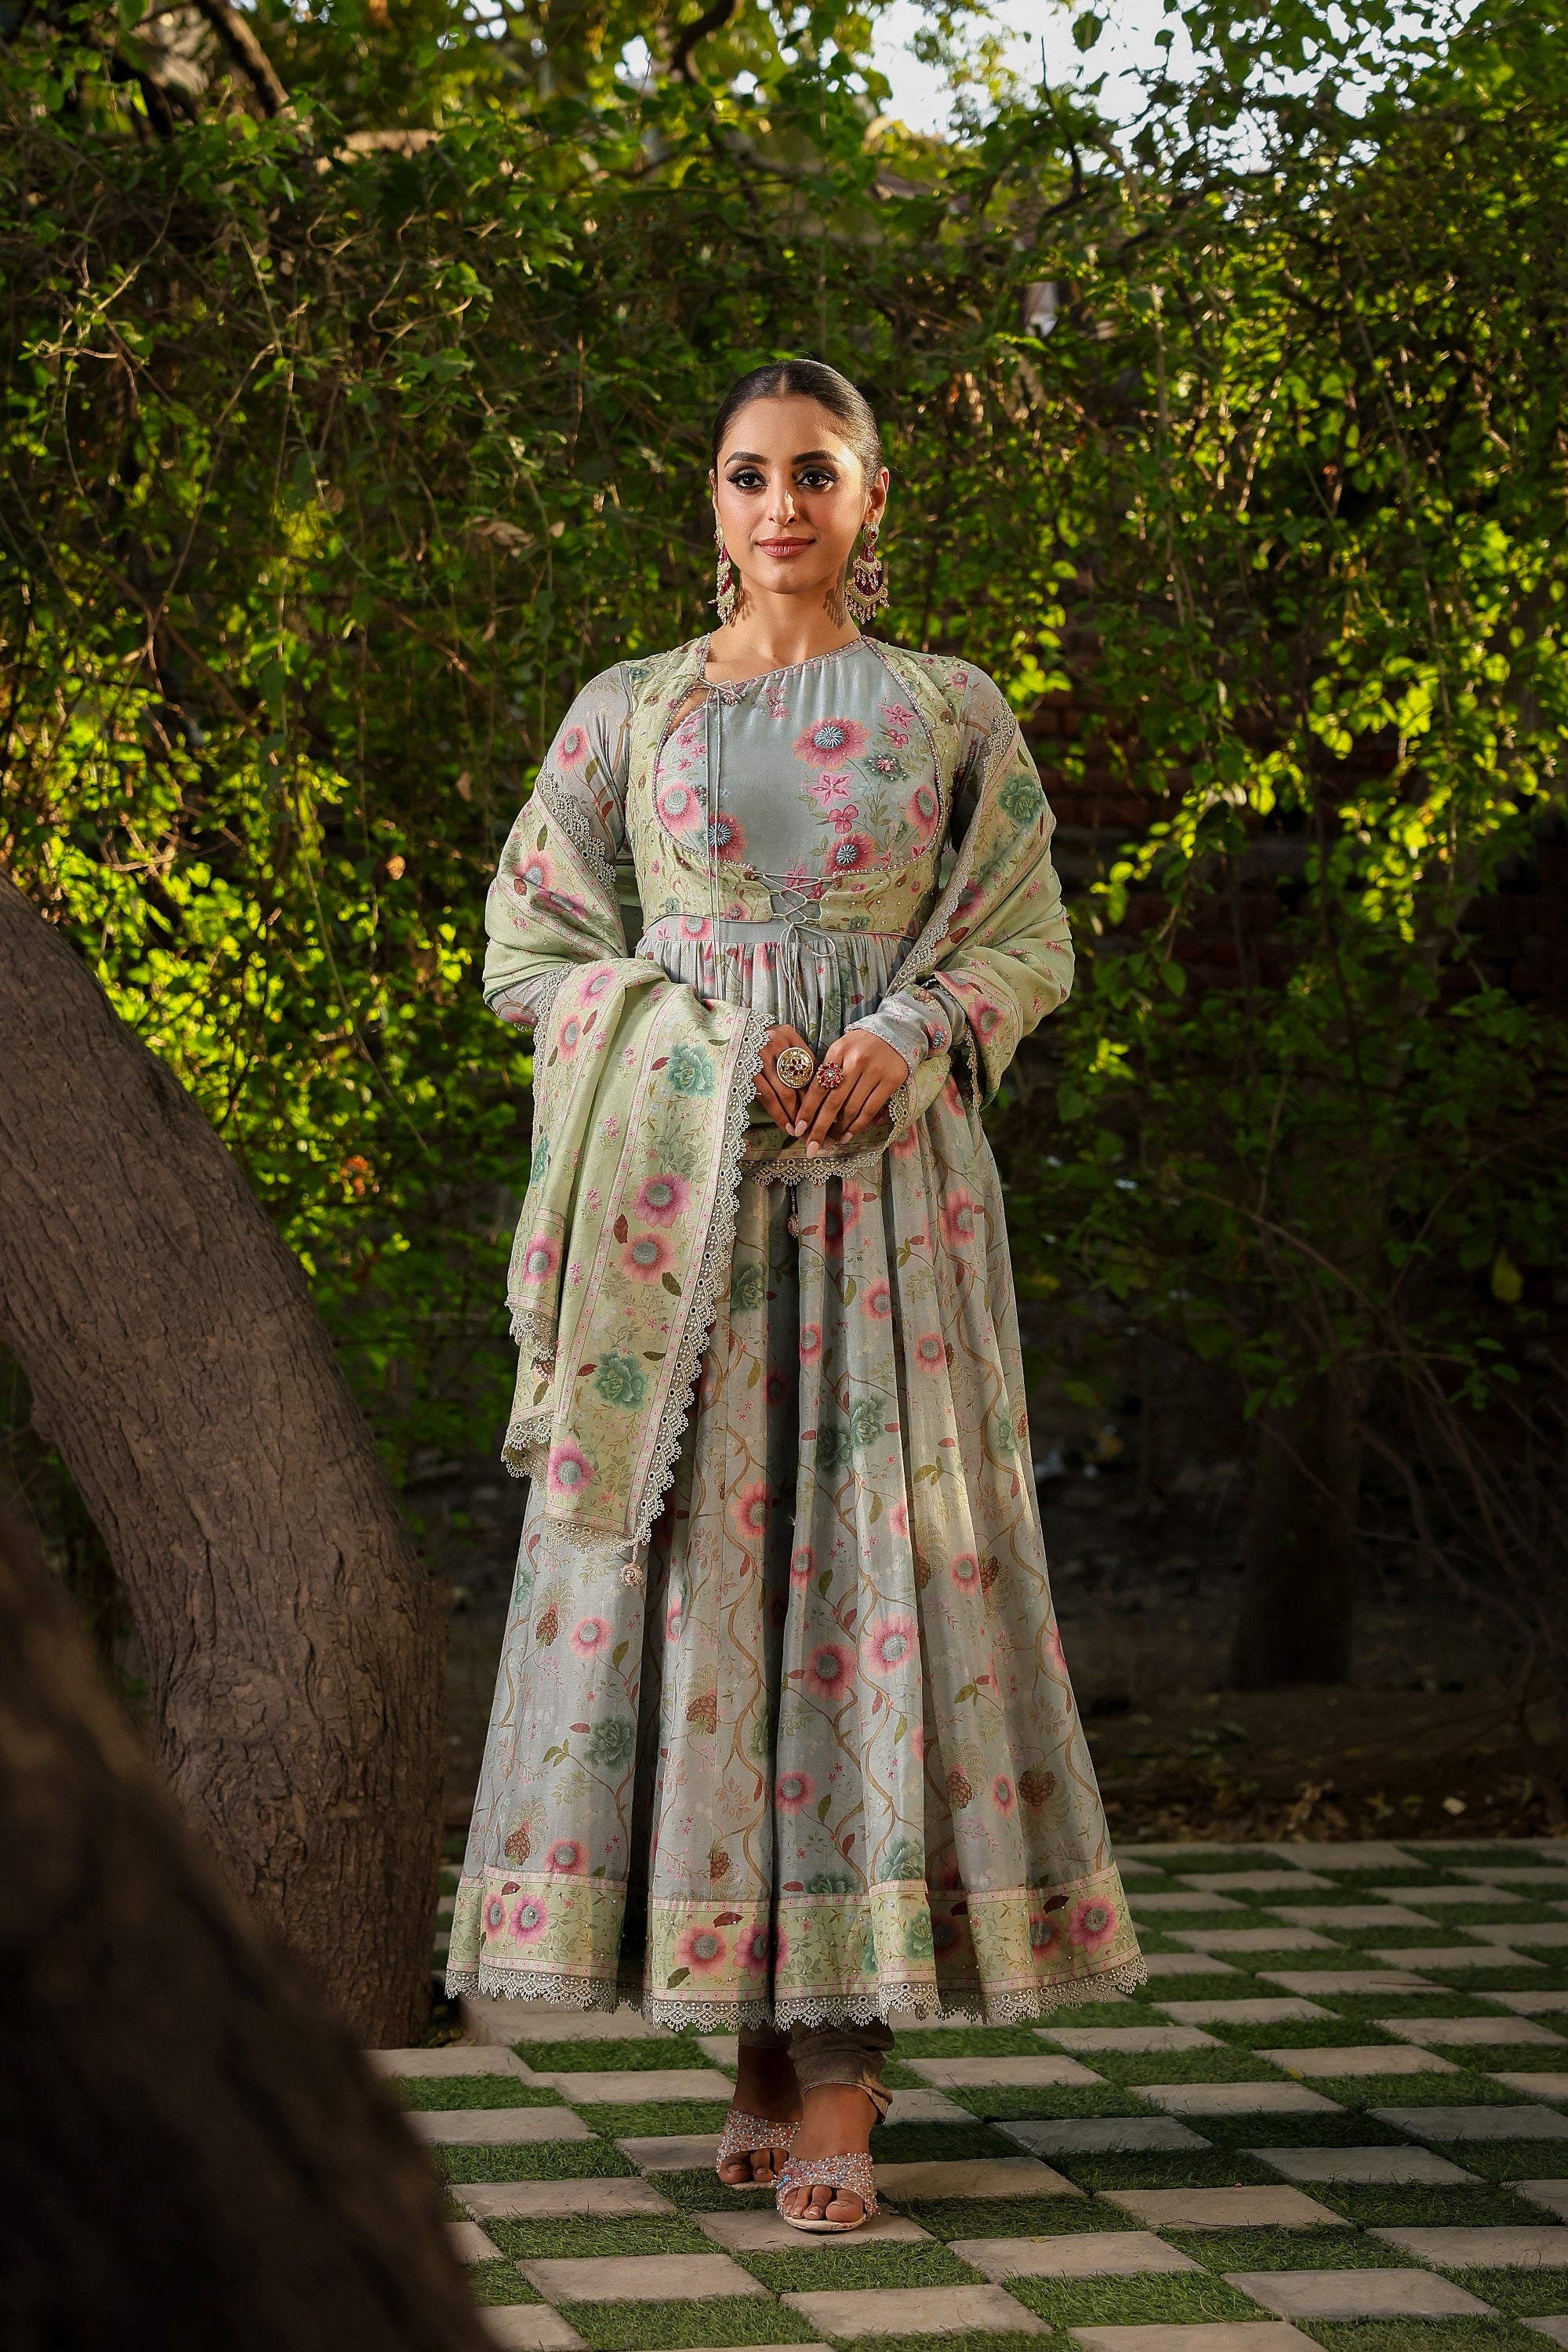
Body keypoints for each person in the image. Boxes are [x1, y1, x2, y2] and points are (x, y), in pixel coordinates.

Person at [446, 358, 1143, 2233]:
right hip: (682, 1222)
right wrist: (696, 1035)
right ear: (713, 498)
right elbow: (531, 944)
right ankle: (751, 2051)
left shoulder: (949, 709)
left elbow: (1025, 932)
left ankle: (843, 2077)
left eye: (815, 473)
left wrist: (910, 1028)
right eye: (751, 475)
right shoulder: (629, 710)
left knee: (866, 1590)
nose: (781, 506)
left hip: (890, 1203)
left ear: (870, 497)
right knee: (713, 1598)